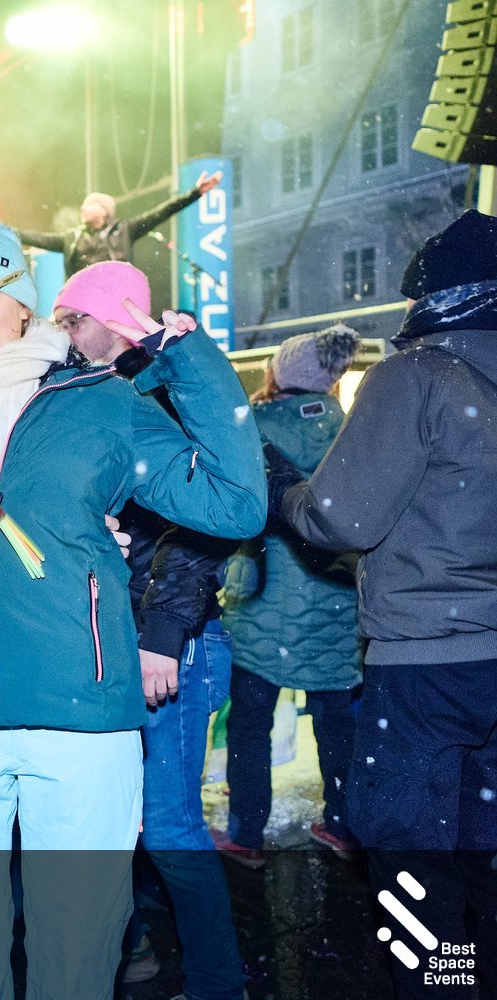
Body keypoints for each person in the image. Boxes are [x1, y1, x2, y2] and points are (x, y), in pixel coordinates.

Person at [0, 240, 265, 1000]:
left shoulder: (102, 404)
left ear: (21, 299)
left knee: (78, 950)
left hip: (81, 716)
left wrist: (187, 361)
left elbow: (235, 504)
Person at [270, 210, 497, 998]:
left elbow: (343, 519)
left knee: (413, 870)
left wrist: (285, 491)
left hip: (424, 667)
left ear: (430, 298)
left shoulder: (417, 376)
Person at [54, 267, 248, 1000]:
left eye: (74, 319)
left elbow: (202, 532)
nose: (63, 334)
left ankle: (219, 983)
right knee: (113, 815)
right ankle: (132, 947)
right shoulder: (101, 394)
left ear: (115, 319)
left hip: (171, 644)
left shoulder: (166, 390)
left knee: (168, 823)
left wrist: (162, 635)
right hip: (114, 633)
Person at [216, 325, 363, 871]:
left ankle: (247, 831)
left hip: (262, 598)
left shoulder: (251, 430)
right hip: (336, 601)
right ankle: (342, 824)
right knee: (336, 725)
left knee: (250, 725)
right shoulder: (353, 432)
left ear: (278, 372)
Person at [13, 171, 222, 277]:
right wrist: (4, 230)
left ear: (104, 210)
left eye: (90, 204)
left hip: (116, 293)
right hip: (82, 297)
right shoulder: (72, 237)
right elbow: (38, 239)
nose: (83, 208)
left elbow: (162, 212)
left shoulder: (124, 229)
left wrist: (195, 193)